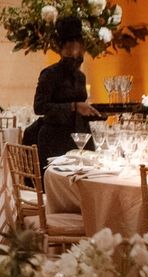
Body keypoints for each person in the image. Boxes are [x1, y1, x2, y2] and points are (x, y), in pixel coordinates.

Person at [31, 16, 100, 167]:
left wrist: (96, 113)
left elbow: (81, 109)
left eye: (79, 50)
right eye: (70, 50)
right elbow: (39, 107)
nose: (75, 54)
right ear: (62, 50)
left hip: (80, 138)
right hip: (54, 140)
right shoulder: (49, 74)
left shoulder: (81, 77)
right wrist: (73, 106)